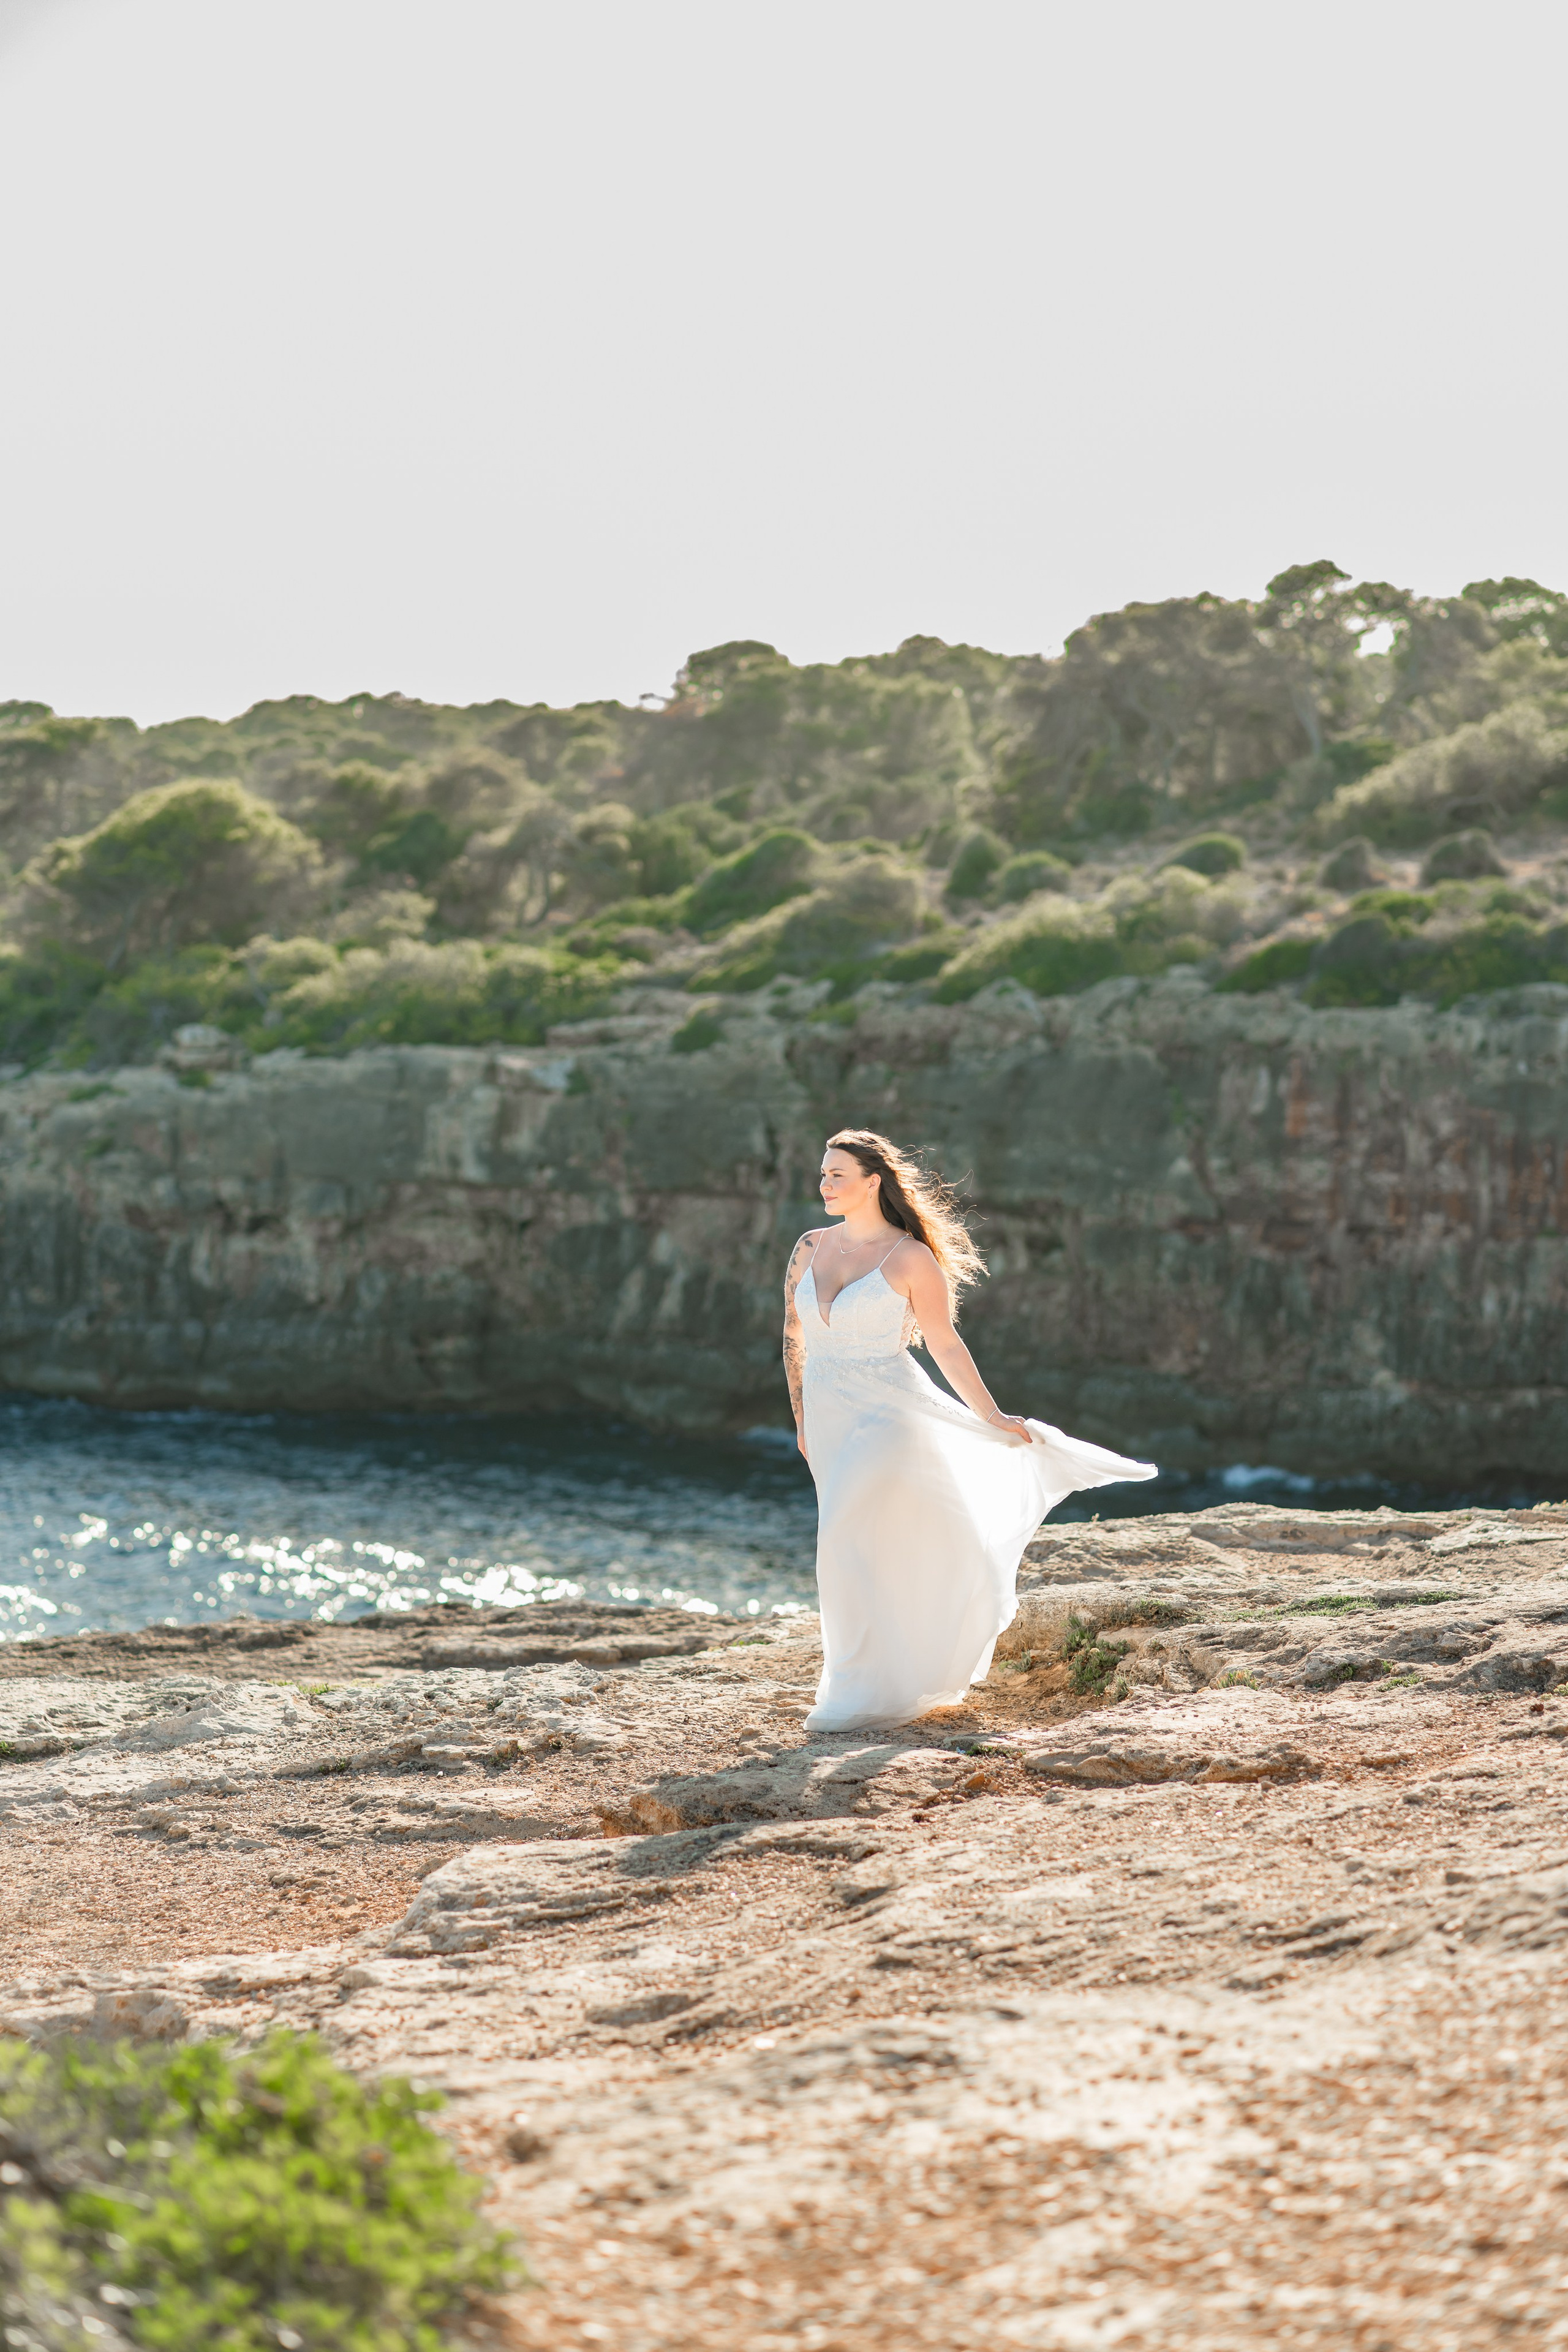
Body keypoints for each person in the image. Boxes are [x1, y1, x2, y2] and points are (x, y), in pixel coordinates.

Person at [783, 1128, 1156, 1730]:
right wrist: (800, 1416)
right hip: (828, 1419)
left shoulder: (909, 1257)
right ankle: (886, 1674)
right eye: (823, 1174)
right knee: (864, 1548)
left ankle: (849, 1694)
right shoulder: (808, 1246)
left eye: (837, 1175)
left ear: (872, 1181)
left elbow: (946, 1345)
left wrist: (991, 1416)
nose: (824, 1185)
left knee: (841, 1545)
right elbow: (792, 1335)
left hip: (888, 1418)